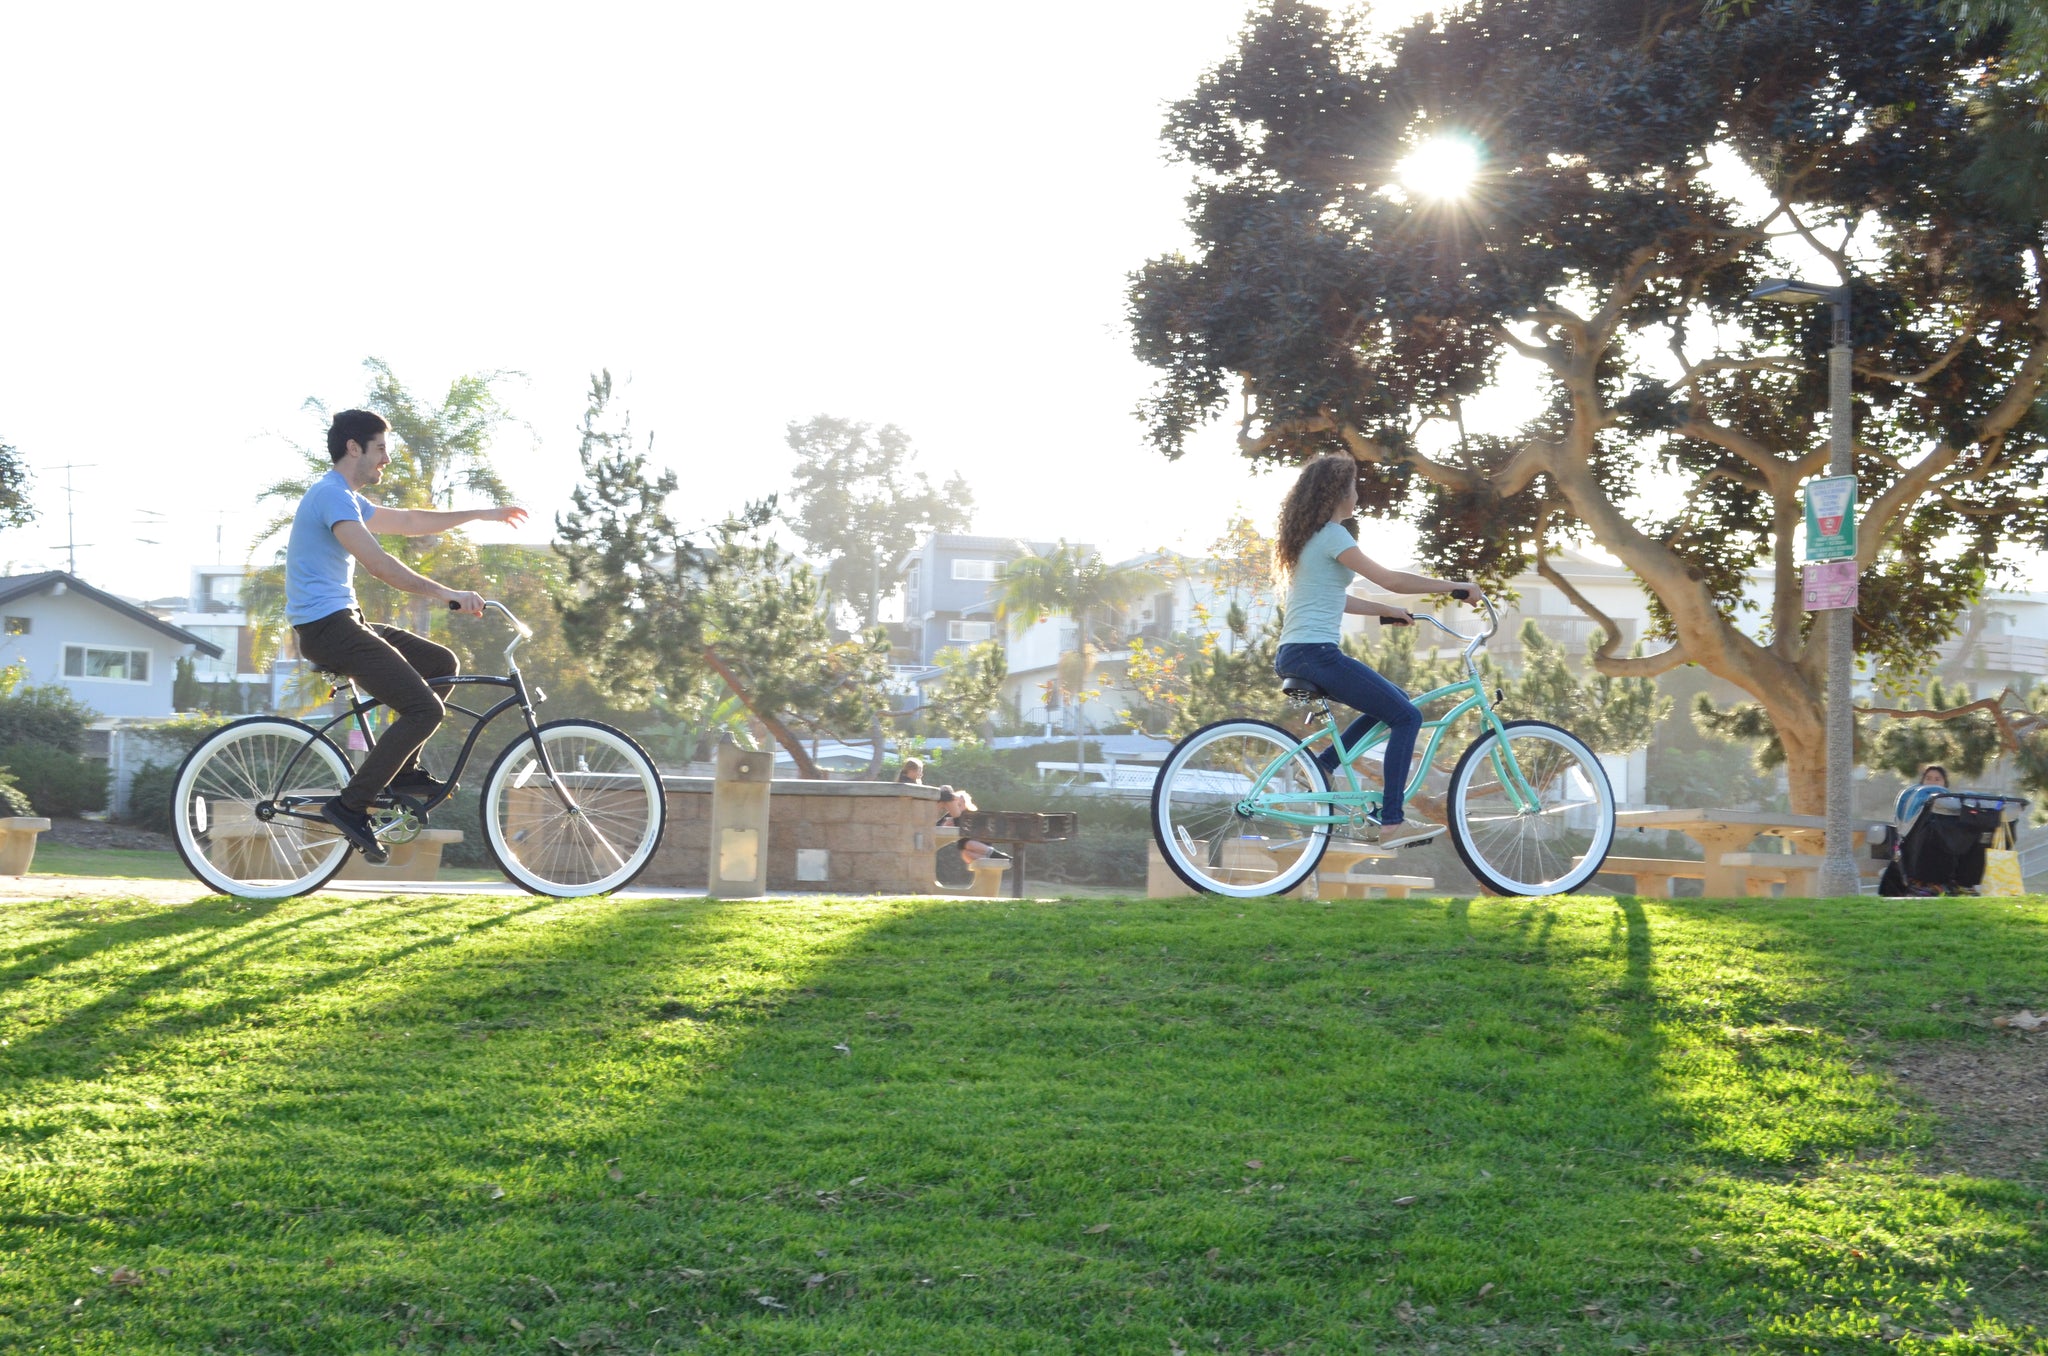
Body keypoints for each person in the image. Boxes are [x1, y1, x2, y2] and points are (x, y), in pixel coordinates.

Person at [288, 408, 529, 860]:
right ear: (353, 448)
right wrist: (448, 593)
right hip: (328, 628)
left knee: (441, 664)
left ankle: (403, 773)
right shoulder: (331, 496)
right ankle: (349, 806)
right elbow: (379, 564)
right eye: (380, 448)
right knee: (424, 710)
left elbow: (413, 521)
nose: (387, 459)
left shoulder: (345, 497)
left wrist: (484, 513)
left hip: (345, 622)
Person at [1271, 454, 1481, 848]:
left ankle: (1322, 765)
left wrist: (1386, 611)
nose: (1358, 494)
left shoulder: (1310, 539)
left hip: (1297, 652)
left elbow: (1338, 599)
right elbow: (1391, 579)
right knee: (1407, 716)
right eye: (1354, 486)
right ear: (1338, 493)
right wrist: (1455, 585)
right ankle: (1391, 821)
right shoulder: (1334, 536)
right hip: (1316, 654)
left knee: (1394, 702)